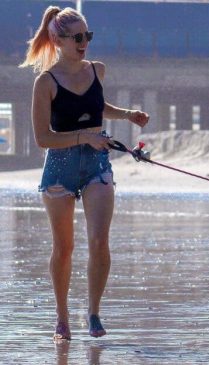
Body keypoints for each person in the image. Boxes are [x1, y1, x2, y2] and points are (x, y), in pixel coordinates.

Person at [20, 6, 149, 341]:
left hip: (97, 165)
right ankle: (62, 317)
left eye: (87, 36)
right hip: (59, 167)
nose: (84, 42)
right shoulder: (44, 83)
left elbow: (96, 106)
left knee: (99, 241)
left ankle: (93, 313)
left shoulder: (97, 70)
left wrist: (127, 115)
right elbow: (42, 138)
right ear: (57, 40)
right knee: (64, 248)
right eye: (77, 37)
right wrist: (84, 137)